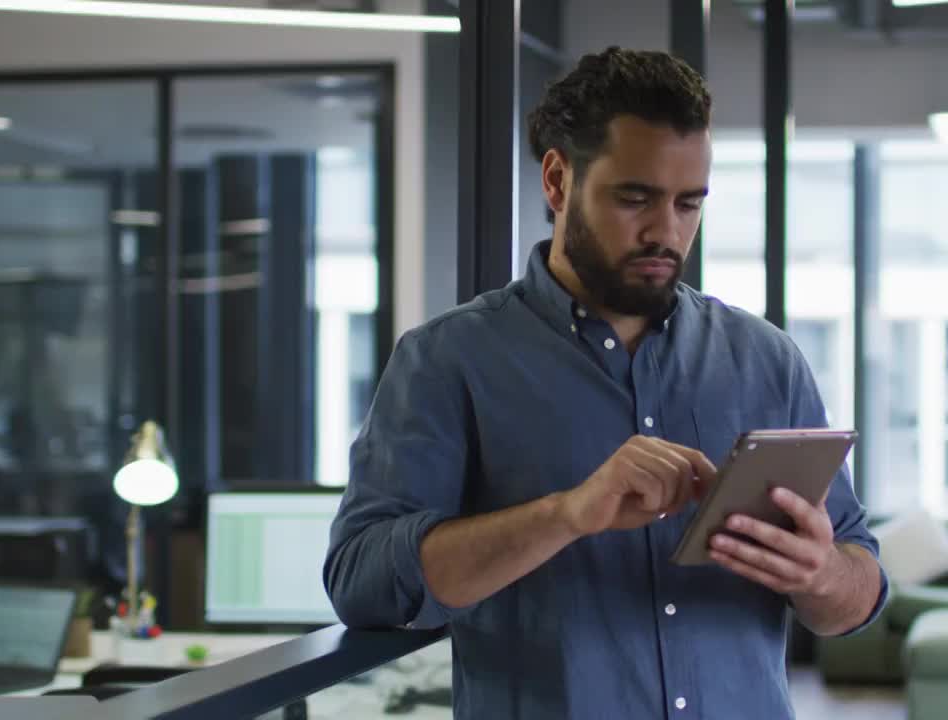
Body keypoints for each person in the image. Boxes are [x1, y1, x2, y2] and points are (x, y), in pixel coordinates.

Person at [323, 47, 888, 719]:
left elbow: (859, 592)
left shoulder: (766, 359)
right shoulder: (449, 359)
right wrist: (566, 515)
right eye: (635, 199)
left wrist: (819, 573)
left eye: (688, 204)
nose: (666, 232)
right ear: (558, 182)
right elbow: (362, 581)